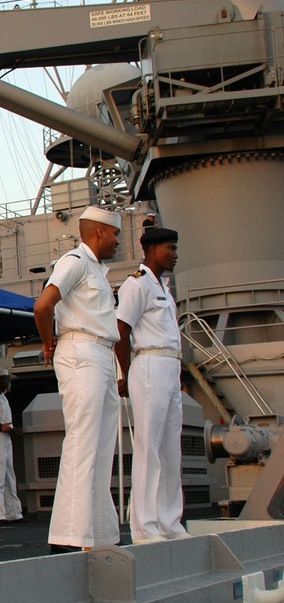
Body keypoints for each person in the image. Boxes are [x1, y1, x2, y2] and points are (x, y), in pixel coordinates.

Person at [32, 206, 122, 554]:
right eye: (114, 234)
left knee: (101, 447)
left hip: (102, 353)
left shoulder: (97, 269)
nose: (117, 241)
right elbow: (43, 306)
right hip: (81, 351)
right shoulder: (75, 262)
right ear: (99, 232)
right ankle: (67, 536)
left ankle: (97, 534)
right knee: (83, 443)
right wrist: (47, 341)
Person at [115, 227, 188, 544]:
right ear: (152, 249)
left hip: (170, 366)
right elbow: (121, 328)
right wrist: (125, 373)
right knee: (149, 448)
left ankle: (170, 521)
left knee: (171, 449)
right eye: (170, 248)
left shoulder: (164, 288)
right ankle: (145, 526)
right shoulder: (137, 283)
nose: (174, 253)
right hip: (148, 365)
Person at [0, 368, 24, 524]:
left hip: (6, 438)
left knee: (9, 475)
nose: (8, 383)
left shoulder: (2, 397)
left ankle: (13, 512)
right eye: (5, 380)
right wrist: (3, 427)